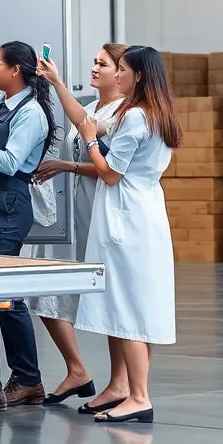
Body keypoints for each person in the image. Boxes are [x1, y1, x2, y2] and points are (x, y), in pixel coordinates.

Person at [49, 46, 180, 424]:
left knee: (128, 310)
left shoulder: (136, 118)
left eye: (119, 69)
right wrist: (59, 84)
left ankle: (138, 396)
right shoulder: (154, 114)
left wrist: (90, 143)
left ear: (138, 75)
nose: (116, 75)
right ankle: (128, 390)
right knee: (135, 307)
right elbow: (87, 120)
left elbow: (109, 173)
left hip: (125, 219)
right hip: (146, 213)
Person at [0, 42, 57, 411]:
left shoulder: (31, 113)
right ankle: (25, 379)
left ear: (16, 70)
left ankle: (13, 381)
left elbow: (9, 161)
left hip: (6, 206)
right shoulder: (0, 104)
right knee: (2, 294)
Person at [33, 44, 127, 406]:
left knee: (110, 298)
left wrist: (68, 166)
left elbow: (112, 169)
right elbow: (79, 123)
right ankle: (77, 370)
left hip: (100, 209)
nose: (95, 68)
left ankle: (119, 383)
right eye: (94, 62)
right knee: (45, 289)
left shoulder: (123, 113)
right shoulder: (91, 109)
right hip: (73, 211)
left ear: (121, 72)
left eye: (102, 64)